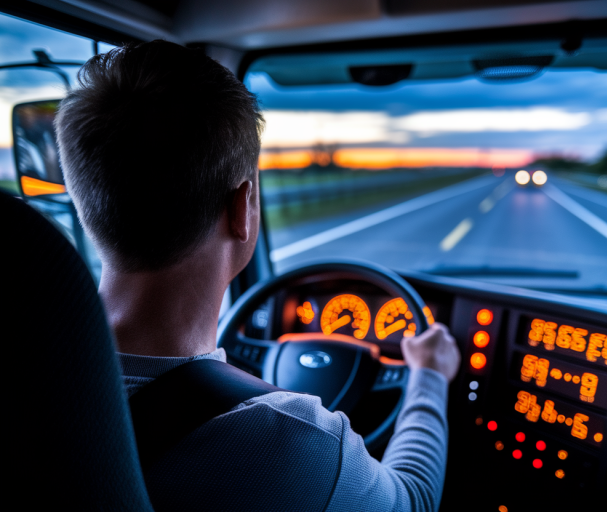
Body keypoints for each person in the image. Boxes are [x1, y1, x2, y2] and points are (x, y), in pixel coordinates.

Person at [55, 40, 461, 511]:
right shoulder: (290, 442)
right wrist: (429, 374)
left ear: (85, 205)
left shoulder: (28, 369)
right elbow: (414, 499)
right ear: (242, 207)